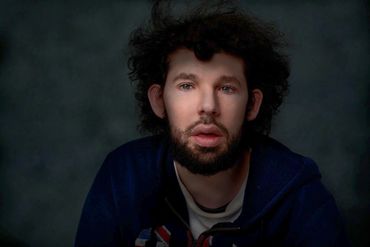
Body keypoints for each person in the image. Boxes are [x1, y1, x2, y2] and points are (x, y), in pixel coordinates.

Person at [75, 1, 350, 246]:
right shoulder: (123, 176)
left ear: (252, 105)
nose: (208, 106)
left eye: (227, 88)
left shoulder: (297, 194)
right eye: (186, 85)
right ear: (159, 100)